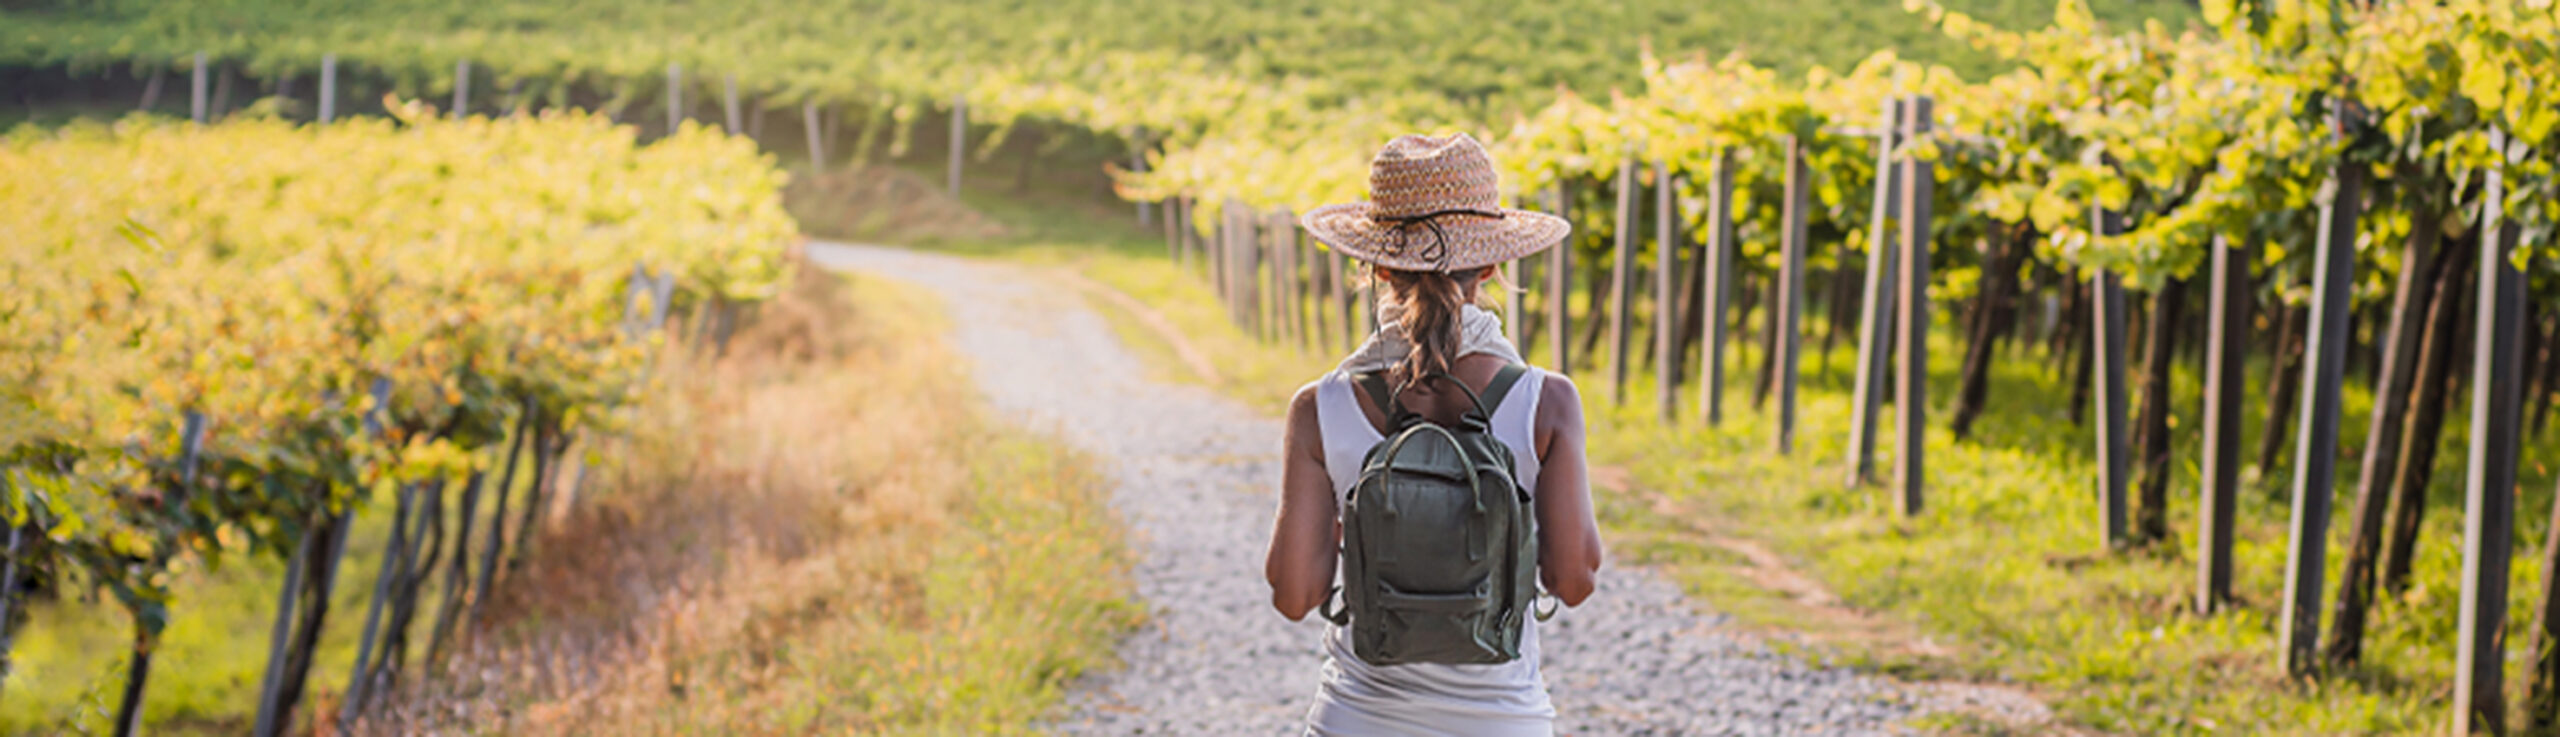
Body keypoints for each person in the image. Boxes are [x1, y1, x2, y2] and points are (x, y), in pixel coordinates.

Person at [1263, 133, 1603, 736]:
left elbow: (1294, 596)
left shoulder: (1323, 406)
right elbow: (1572, 582)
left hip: (1357, 719)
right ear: (1494, 264)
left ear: (1377, 265)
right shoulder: (1546, 402)